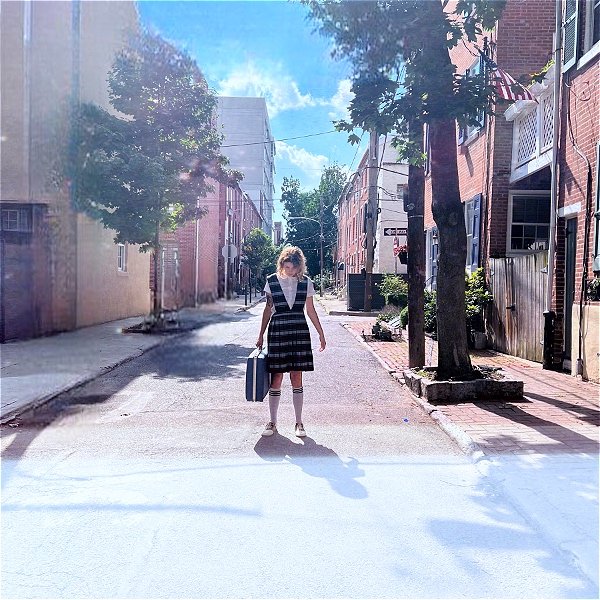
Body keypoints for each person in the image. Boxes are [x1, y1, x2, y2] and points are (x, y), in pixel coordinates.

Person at [256, 246, 326, 438]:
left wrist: (321, 333)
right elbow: (268, 310)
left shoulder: (306, 283)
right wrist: (260, 334)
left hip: (299, 330)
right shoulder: (271, 281)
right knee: (276, 377)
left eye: (293, 268)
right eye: (286, 267)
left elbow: (311, 310)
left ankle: (299, 422)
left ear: (299, 266)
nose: (289, 271)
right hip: (278, 331)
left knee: (297, 376)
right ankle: (272, 422)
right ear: (282, 264)